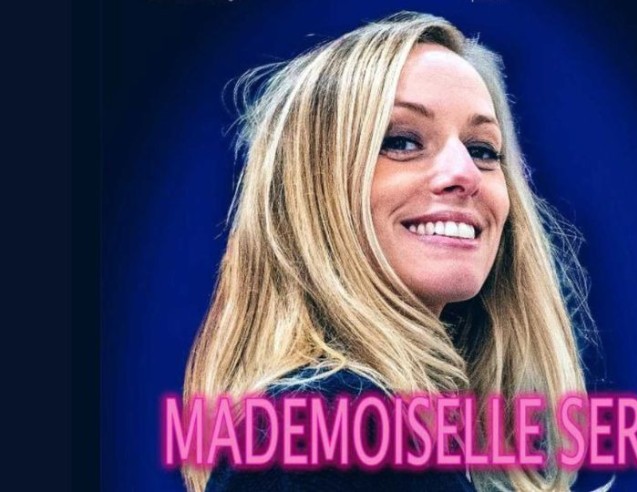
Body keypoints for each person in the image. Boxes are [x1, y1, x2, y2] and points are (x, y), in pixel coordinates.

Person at [183, 11, 596, 492]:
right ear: (313, 194)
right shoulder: (323, 429)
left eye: (483, 150)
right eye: (401, 142)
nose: (465, 173)